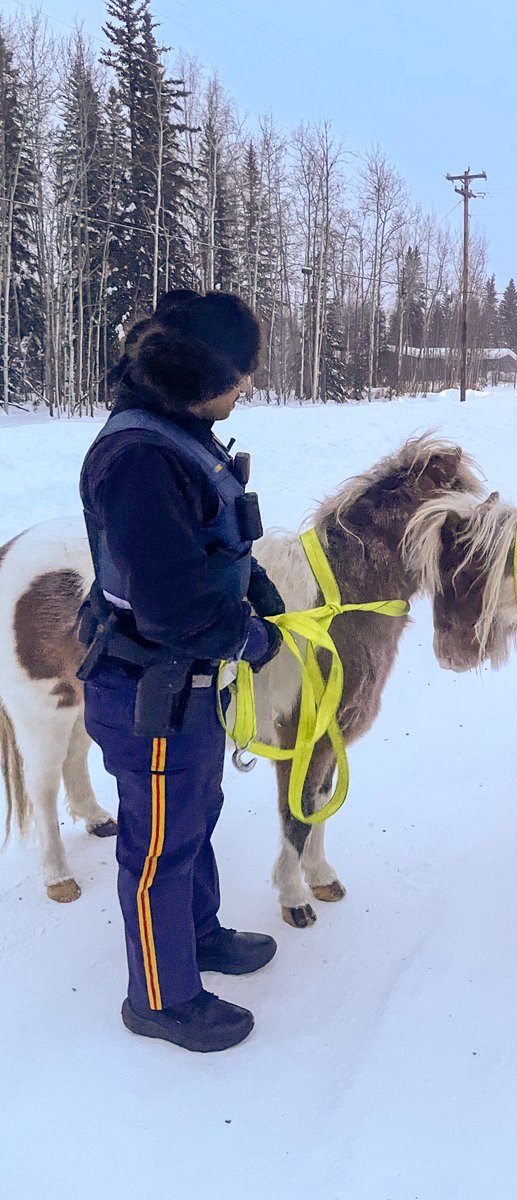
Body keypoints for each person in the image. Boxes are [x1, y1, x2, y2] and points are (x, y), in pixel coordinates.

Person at [77, 289, 286, 1052]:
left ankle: (196, 936)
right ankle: (160, 998)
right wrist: (245, 635)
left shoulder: (178, 428)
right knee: (160, 842)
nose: (247, 389)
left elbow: (200, 540)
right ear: (198, 375)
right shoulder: (139, 459)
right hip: (150, 689)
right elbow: (168, 603)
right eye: (240, 377)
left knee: (194, 816)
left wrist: (250, 579)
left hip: (185, 685)